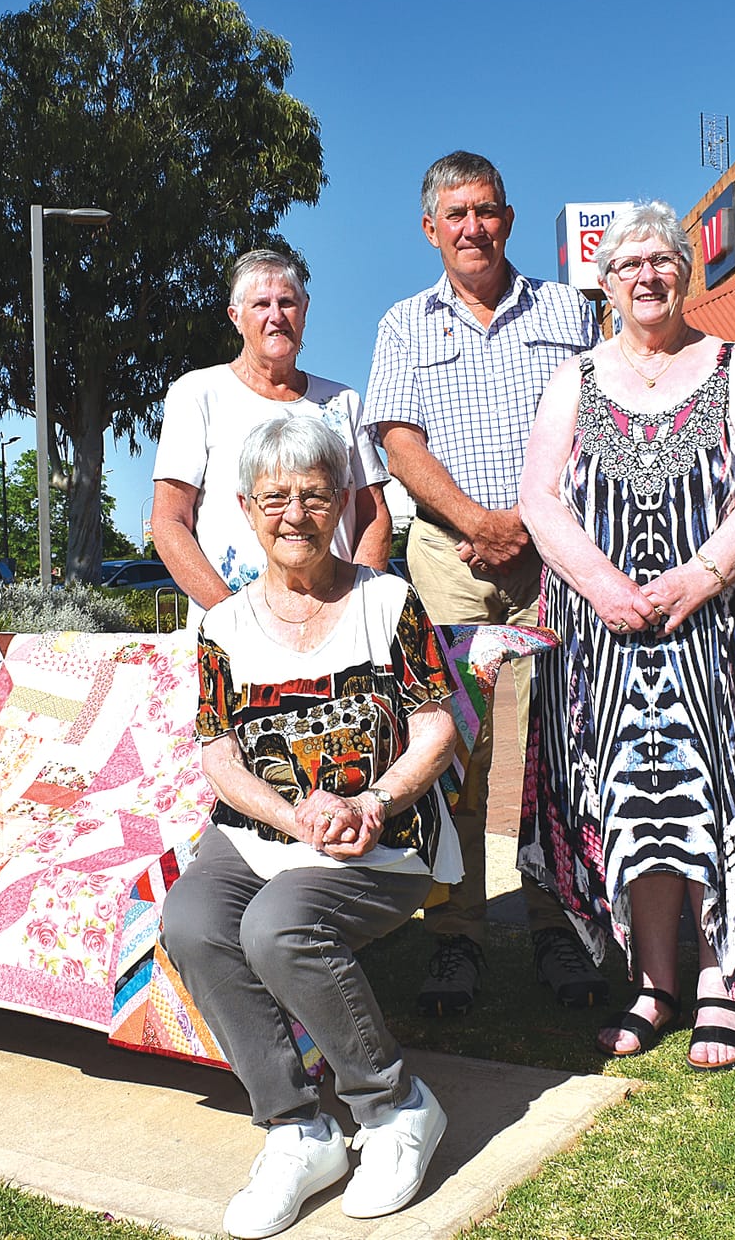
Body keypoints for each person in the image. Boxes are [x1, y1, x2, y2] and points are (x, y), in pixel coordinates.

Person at [516, 200, 735, 1072]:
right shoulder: (574, 376)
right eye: (628, 265)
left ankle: (724, 984)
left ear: (685, 271)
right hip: (604, 637)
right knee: (633, 800)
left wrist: (697, 579)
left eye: (662, 260)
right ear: (604, 282)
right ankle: (655, 984)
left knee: (716, 790)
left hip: (721, 626)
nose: (647, 277)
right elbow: (540, 499)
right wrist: (606, 589)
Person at [160, 416, 461, 1238]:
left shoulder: (387, 602)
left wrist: (373, 803)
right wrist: (292, 813)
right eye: (275, 498)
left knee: (280, 926)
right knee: (190, 921)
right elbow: (219, 754)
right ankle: (298, 1128)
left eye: (314, 496)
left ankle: (396, 1106)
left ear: (341, 507)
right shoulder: (222, 627)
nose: (294, 514)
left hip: (380, 833)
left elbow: (437, 729)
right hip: (261, 831)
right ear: (245, 508)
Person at [361, 150, 606, 1016]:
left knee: (566, 749)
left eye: (488, 211)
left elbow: (600, 422)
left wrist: (535, 529)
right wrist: (478, 522)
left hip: (555, 563)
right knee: (454, 753)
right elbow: (397, 443)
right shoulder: (403, 324)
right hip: (449, 562)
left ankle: (559, 925)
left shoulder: (573, 313)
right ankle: (454, 938)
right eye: (456, 214)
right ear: (431, 228)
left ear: (509, 218)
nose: (474, 228)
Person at [154, 249, 391, 620]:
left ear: (305, 310)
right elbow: (168, 521)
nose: (276, 317)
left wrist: (356, 608)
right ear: (235, 317)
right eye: (261, 305)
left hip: (334, 624)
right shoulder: (198, 394)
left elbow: (372, 514)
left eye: (287, 303)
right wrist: (232, 618)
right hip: (231, 629)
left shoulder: (343, 402)